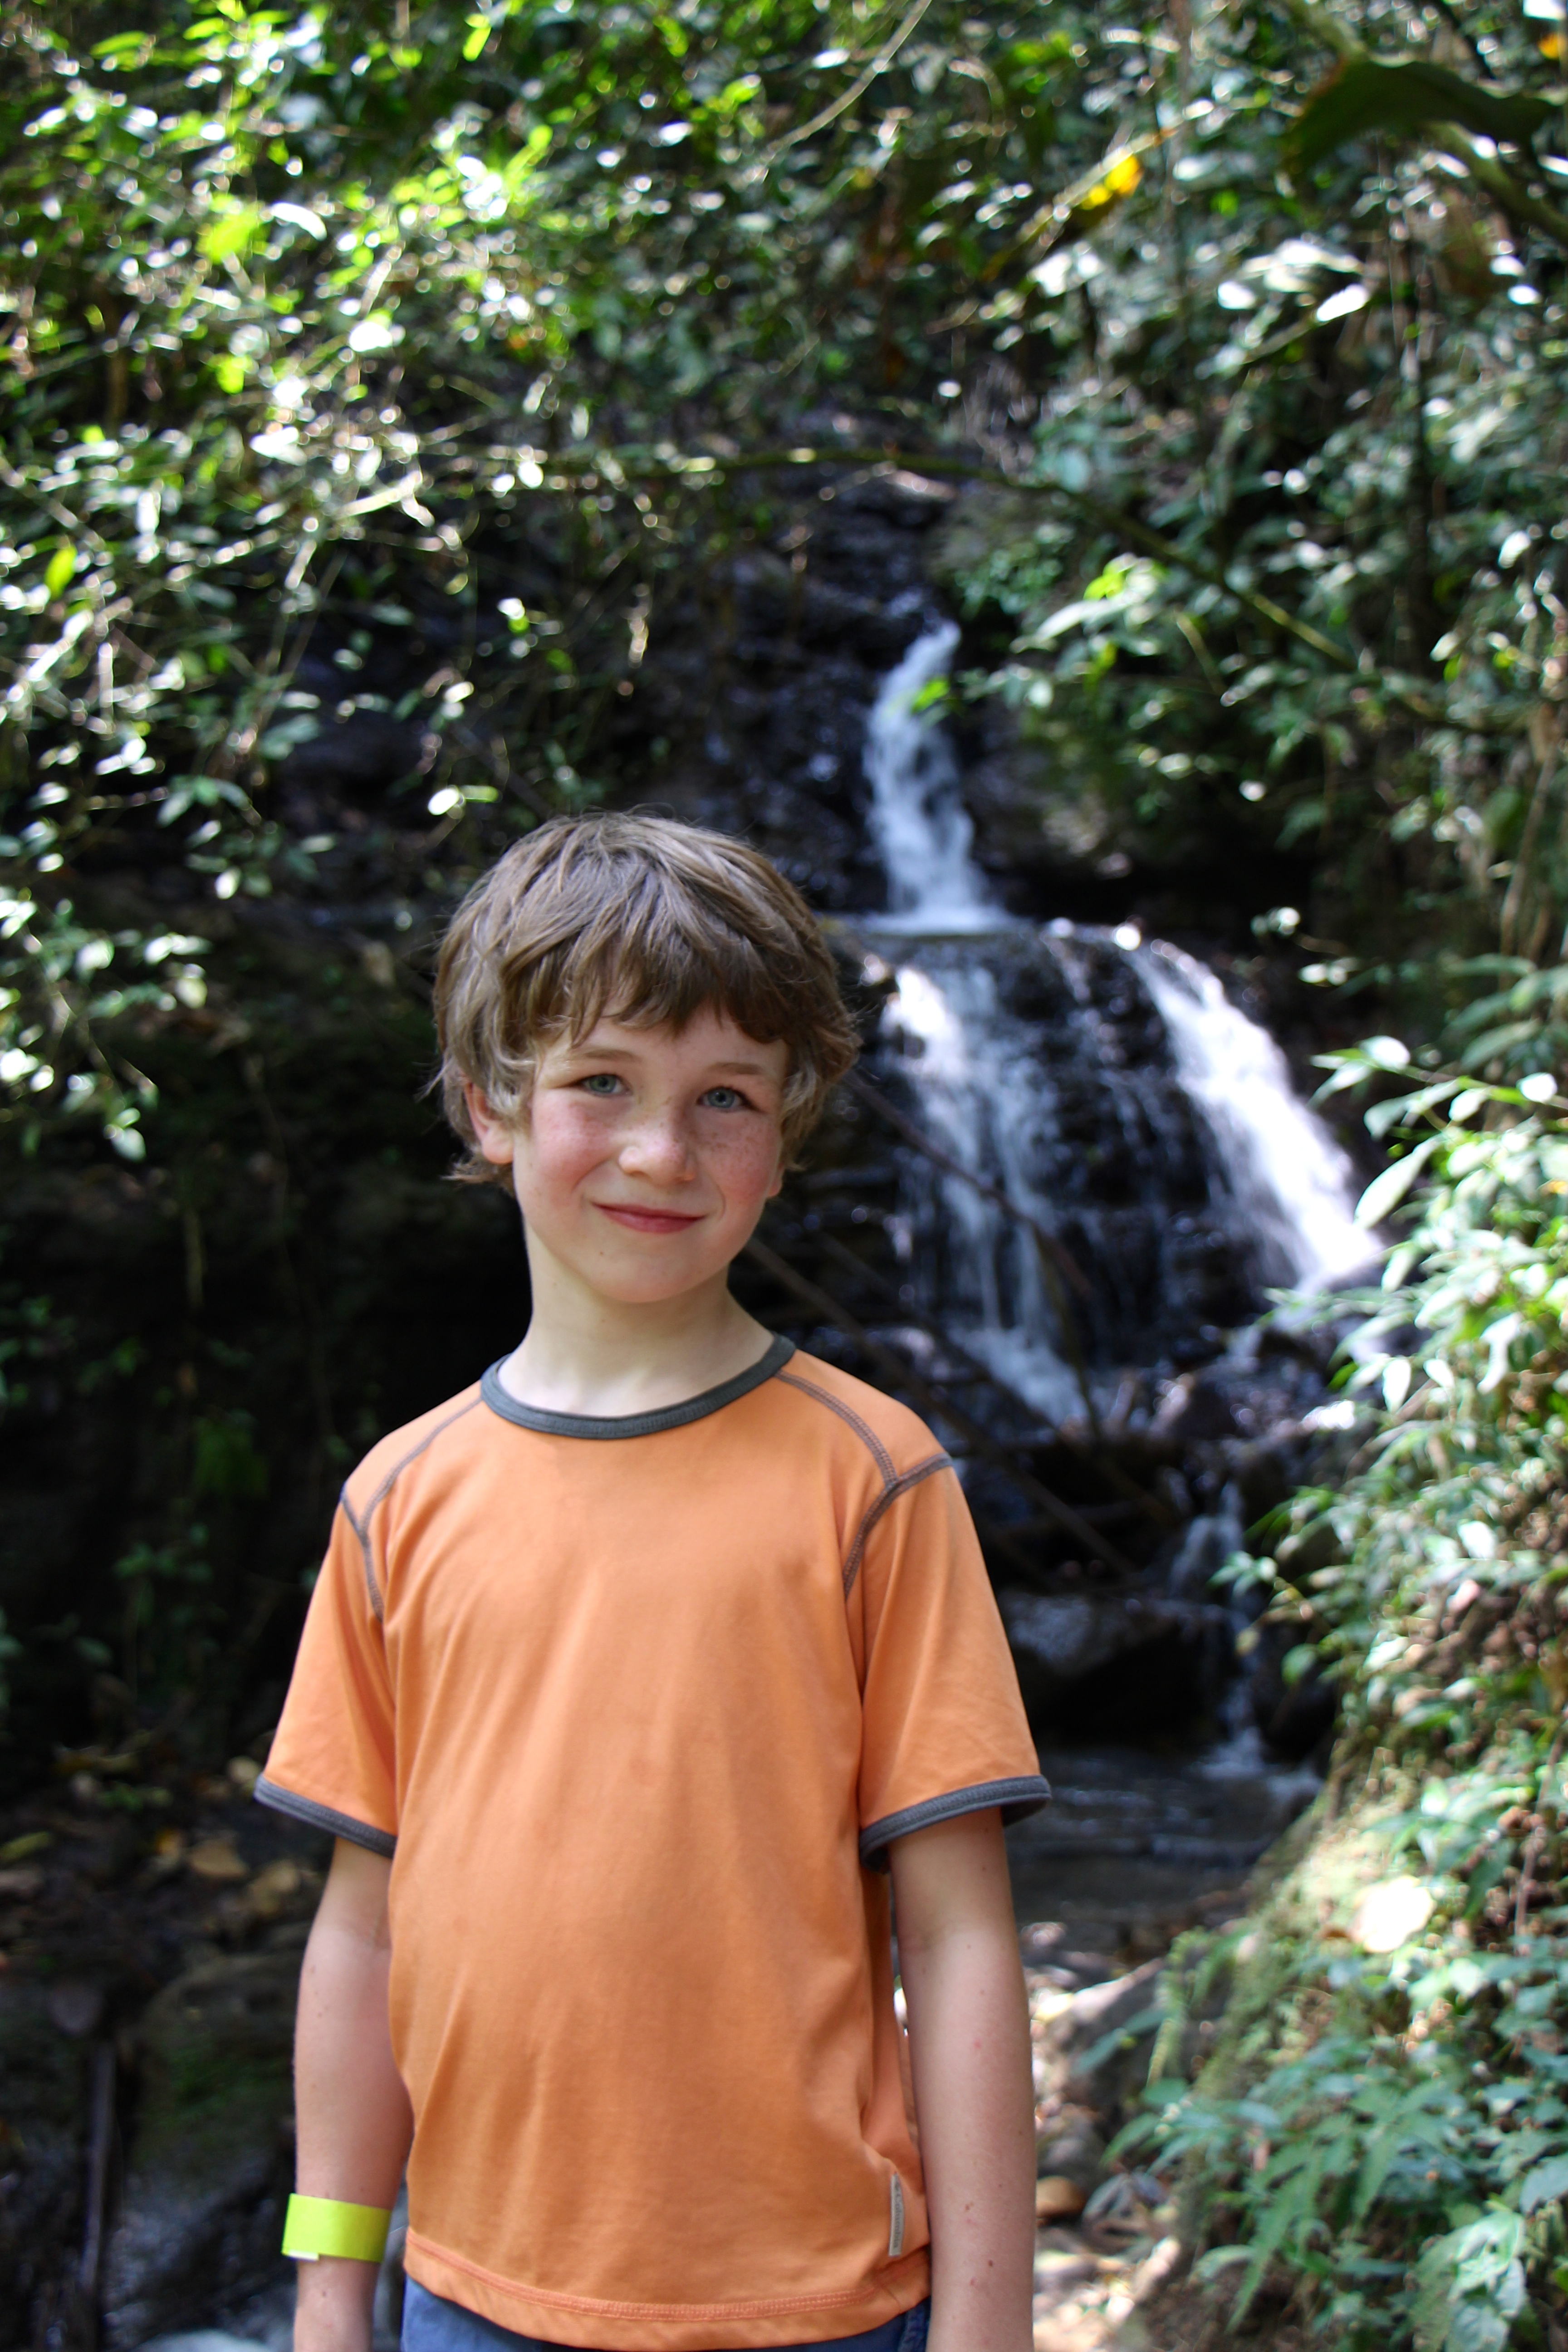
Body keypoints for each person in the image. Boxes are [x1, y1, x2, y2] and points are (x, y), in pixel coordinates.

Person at [256, 813, 1049, 2352]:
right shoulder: (399, 1500)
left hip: (819, 2306)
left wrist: (990, 2324)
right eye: (601, 1083)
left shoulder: (874, 1480)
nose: (660, 1152)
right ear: (491, 1103)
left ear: (787, 1133)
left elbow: (958, 1937)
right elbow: (364, 1935)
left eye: (725, 1098)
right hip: (471, 2299)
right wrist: (330, 2285)